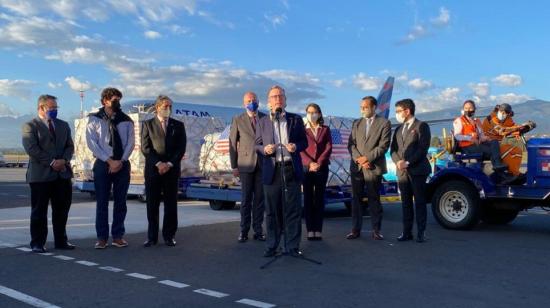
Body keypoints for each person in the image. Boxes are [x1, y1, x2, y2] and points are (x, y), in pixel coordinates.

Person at [255, 85, 307, 257]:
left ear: (285, 100)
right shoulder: (262, 121)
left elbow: (304, 142)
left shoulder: (295, 120)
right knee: (272, 210)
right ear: (269, 101)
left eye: (280, 96)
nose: (278, 99)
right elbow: (256, 144)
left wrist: (295, 146)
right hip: (273, 170)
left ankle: (292, 246)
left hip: (290, 168)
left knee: (293, 210)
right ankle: (272, 245)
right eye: (274, 96)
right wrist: (265, 149)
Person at [22, 95, 75, 253]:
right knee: (39, 211)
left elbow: (69, 147)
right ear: (41, 108)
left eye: (56, 108)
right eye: (52, 108)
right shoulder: (30, 126)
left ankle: (61, 240)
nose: (55, 111)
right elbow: (32, 149)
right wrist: (52, 162)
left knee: (62, 210)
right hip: (40, 176)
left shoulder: (63, 125)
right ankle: (38, 242)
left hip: (62, 175)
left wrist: (64, 161)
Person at [86, 87, 135, 249]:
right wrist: (109, 161)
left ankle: (118, 236)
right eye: (114, 100)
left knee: (121, 202)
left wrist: (120, 161)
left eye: (119, 99)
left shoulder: (126, 120)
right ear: (104, 101)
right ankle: (101, 237)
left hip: (122, 163)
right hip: (102, 163)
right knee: (102, 202)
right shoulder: (94, 119)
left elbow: (130, 143)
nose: (117, 103)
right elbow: (92, 143)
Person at [141, 95, 187, 247]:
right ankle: (152, 237)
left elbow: (181, 148)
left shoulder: (178, 125)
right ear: (157, 108)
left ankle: (169, 235)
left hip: (171, 171)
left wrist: (169, 164)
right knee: (152, 204)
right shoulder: (148, 124)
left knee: (171, 205)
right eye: (165, 107)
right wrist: (159, 163)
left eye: (169, 107)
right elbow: (146, 148)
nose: (168, 109)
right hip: (154, 171)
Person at [347, 96, 391, 240]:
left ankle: (376, 230)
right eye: (361, 107)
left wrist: (367, 158)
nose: (362, 110)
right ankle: (355, 230)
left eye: (365, 107)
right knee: (356, 199)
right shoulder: (356, 123)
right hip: (357, 167)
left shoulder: (384, 123)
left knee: (374, 199)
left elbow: (384, 145)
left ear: (373, 107)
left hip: (373, 167)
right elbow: (351, 145)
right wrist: (359, 159)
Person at [390, 99, 431, 243]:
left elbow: (422, 148)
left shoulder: (421, 126)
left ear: (407, 111)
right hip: (402, 171)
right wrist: (398, 162)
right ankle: (406, 232)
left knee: (419, 202)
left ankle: (421, 232)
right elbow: (393, 149)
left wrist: (407, 162)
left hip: (417, 170)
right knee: (405, 203)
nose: (397, 114)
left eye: (398, 111)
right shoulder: (398, 129)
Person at [229, 91, 266, 243]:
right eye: (249, 100)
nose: (252, 102)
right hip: (245, 165)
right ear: (244, 103)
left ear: (258, 101)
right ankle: (243, 231)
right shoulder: (238, 119)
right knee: (245, 200)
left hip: (263, 164)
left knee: (259, 200)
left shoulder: (265, 118)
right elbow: (232, 145)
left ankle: (258, 231)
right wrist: (234, 165)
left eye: (254, 100)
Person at [453, 100, 514, 183]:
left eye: (470, 108)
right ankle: (500, 173)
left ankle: (499, 170)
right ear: (463, 109)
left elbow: (481, 135)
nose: (468, 110)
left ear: (474, 109)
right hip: (467, 147)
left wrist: (486, 138)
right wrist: (469, 138)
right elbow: (457, 136)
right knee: (494, 152)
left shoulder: (477, 121)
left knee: (495, 142)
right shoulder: (459, 120)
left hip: (478, 144)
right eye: (466, 108)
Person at [300, 103, 332, 241]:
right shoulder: (302, 129)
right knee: (308, 199)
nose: (312, 115)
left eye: (314, 112)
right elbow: (299, 148)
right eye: (309, 112)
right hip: (306, 168)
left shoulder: (325, 129)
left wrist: (319, 162)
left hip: (321, 167)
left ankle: (318, 230)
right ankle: (310, 230)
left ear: (319, 114)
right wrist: (309, 163)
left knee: (319, 199)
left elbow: (328, 146)